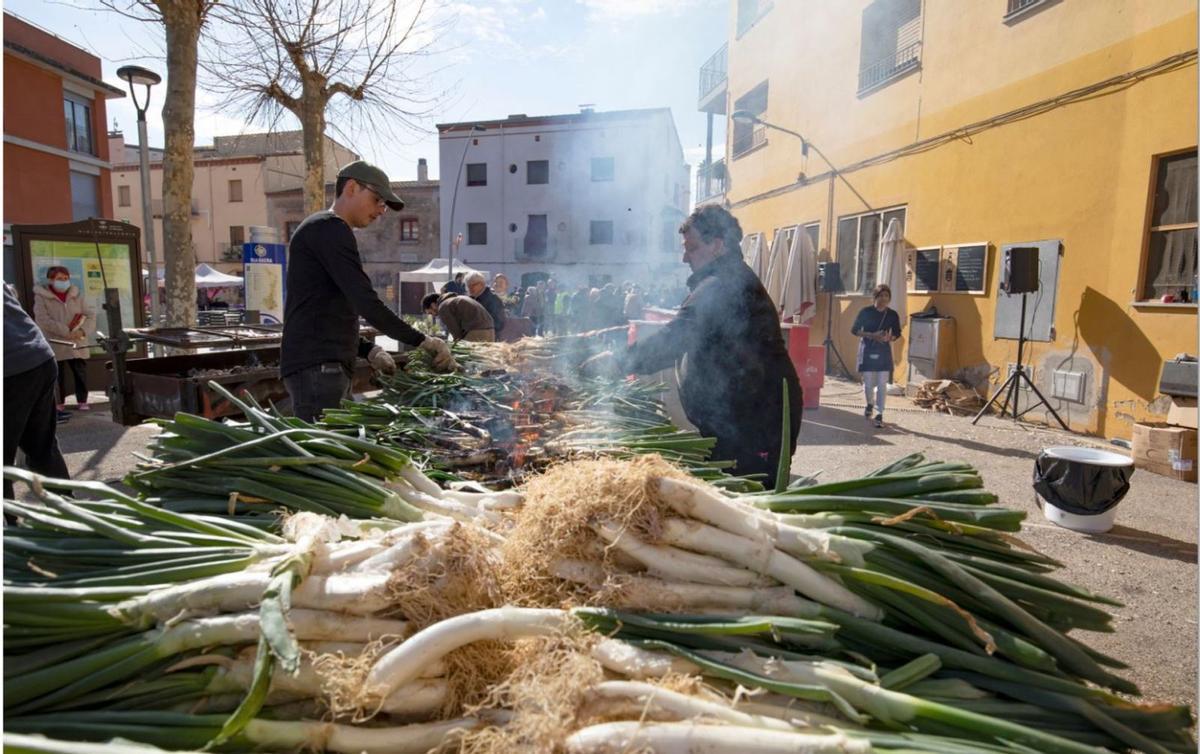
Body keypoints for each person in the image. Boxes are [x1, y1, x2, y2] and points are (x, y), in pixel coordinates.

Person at [583, 206, 801, 478]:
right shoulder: (723, 279)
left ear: (717, 245)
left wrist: (617, 362)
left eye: (692, 247)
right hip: (740, 421)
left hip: (755, 426)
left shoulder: (724, 285)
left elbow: (677, 336)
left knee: (746, 501)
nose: (685, 256)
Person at [281, 160, 455, 422]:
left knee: (336, 448)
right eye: (377, 200)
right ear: (352, 187)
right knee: (326, 454)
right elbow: (366, 302)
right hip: (318, 366)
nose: (381, 210)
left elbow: (329, 310)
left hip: (322, 364)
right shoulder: (330, 229)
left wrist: (367, 350)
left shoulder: (326, 230)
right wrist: (424, 341)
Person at [4, 283, 71, 498]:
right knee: (42, 447)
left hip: (9, 368)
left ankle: (9, 528)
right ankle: (70, 518)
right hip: (38, 357)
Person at [32, 266, 92, 414]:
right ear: (51, 280)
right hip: (55, 341)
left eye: (66, 278)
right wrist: (66, 331)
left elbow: (90, 315)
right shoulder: (41, 296)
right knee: (57, 374)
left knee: (80, 371)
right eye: (59, 279)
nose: (64, 282)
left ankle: (82, 400)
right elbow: (43, 319)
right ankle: (59, 403)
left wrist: (82, 331)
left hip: (78, 340)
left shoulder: (77, 294)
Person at [851, 284, 902, 429]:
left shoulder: (892, 314)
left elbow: (897, 333)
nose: (884, 299)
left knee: (882, 385)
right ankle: (869, 404)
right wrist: (872, 335)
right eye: (881, 296)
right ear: (875, 297)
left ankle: (879, 413)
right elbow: (855, 330)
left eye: (886, 296)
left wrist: (889, 338)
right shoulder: (865, 312)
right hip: (867, 349)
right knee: (868, 384)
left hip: (883, 351)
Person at [422, 291, 495, 342]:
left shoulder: (443, 307)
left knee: (468, 361)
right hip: (490, 330)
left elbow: (457, 335)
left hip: (476, 331)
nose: (434, 315)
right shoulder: (456, 298)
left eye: (430, 313)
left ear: (433, 305)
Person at [466, 271, 507, 336]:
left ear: (481, 284)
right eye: (468, 285)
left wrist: (481, 328)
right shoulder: (471, 299)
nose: (469, 288)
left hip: (488, 339)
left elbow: (499, 324)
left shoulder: (493, 299)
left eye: (472, 285)